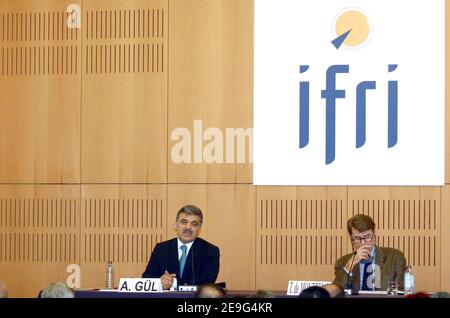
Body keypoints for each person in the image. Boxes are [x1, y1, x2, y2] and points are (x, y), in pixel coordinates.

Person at [142, 205, 220, 290]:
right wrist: (161, 281)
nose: (188, 227)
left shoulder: (210, 251)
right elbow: (147, 277)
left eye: (194, 224)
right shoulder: (161, 249)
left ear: (199, 229)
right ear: (176, 225)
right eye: (184, 222)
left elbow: (207, 282)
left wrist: (173, 284)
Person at [333, 214, 406, 292]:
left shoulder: (395, 257)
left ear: (374, 235)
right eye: (357, 238)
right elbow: (335, 292)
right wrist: (349, 265)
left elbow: (400, 291)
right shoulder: (342, 262)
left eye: (367, 237)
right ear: (351, 238)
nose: (363, 243)